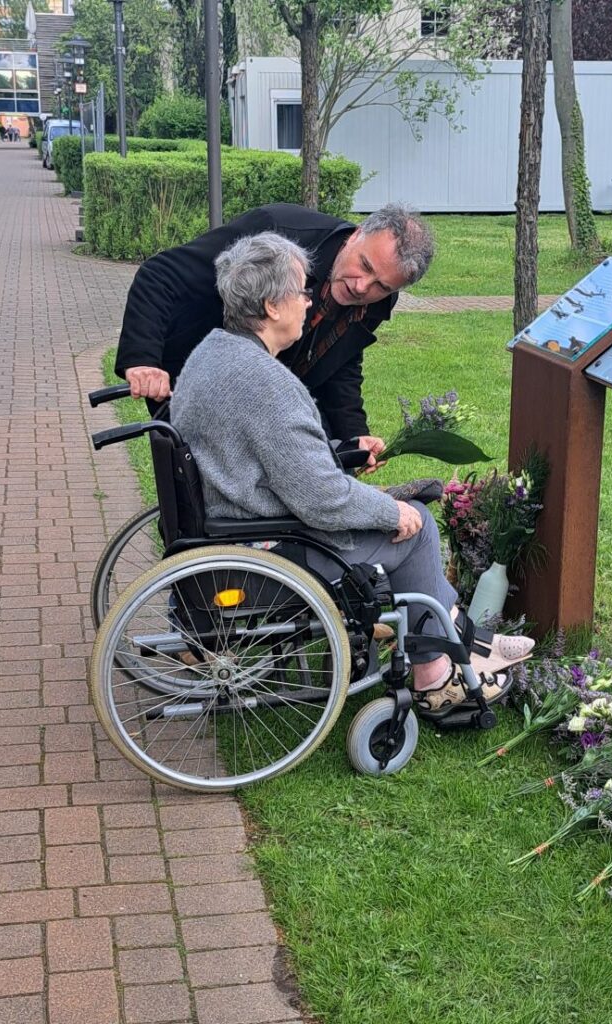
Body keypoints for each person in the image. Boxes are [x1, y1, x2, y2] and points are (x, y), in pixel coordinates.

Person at [170, 232, 534, 720]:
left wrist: (345, 458)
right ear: (273, 306)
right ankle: (435, 676)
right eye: (301, 292)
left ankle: (464, 638)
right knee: (418, 527)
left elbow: (286, 461)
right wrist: (389, 510)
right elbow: (319, 499)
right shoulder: (266, 385)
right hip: (267, 551)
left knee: (404, 515)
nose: (307, 301)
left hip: (226, 525)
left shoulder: (212, 353)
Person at [116, 202, 434, 455]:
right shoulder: (279, 232)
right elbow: (160, 275)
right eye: (364, 266)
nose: (362, 287)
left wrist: (354, 434)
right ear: (356, 234)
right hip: (191, 371)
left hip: (264, 391)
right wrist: (143, 360)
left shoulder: (374, 302)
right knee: (201, 494)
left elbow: (341, 362)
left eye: (382, 285)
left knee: (326, 461)